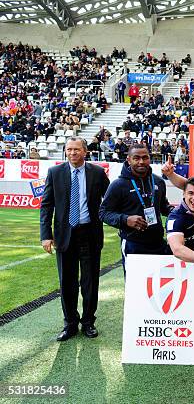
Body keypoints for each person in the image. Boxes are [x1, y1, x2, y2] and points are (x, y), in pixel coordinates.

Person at [40, 137, 110, 341]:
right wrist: (46, 235)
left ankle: (88, 322)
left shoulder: (97, 173)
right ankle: (70, 323)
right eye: (69, 149)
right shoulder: (55, 173)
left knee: (90, 282)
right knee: (67, 282)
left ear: (85, 151)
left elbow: (111, 198)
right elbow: (46, 206)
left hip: (90, 234)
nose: (72, 153)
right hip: (64, 236)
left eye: (76, 149)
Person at [99, 144, 174, 272]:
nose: (141, 162)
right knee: (135, 288)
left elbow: (163, 206)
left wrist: (176, 211)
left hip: (158, 243)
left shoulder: (158, 182)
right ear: (128, 160)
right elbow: (103, 213)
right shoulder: (118, 185)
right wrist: (125, 219)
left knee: (159, 286)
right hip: (133, 244)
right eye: (136, 158)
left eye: (145, 158)